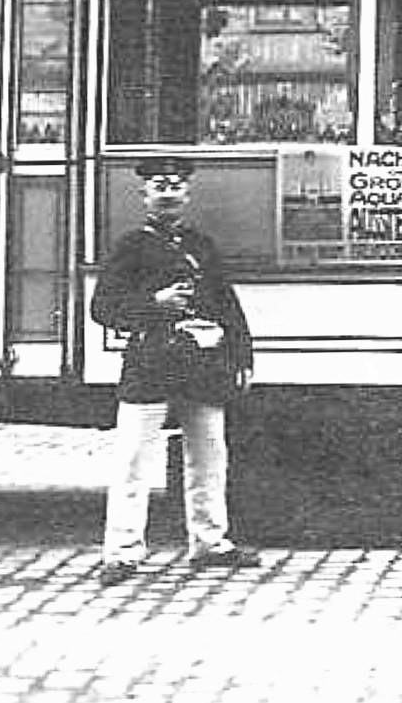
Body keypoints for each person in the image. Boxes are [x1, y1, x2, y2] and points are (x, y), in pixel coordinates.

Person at [94, 156, 260, 586]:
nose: (167, 193)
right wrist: (155, 305)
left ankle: (210, 544)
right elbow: (103, 308)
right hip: (151, 363)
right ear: (144, 195)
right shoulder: (130, 247)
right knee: (133, 458)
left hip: (201, 365)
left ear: (186, 194)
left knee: (210, 455)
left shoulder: (201, 245)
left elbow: (228, 306)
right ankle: (122, 552)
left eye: (175, 185)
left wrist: (242, 358)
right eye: (159, 186)